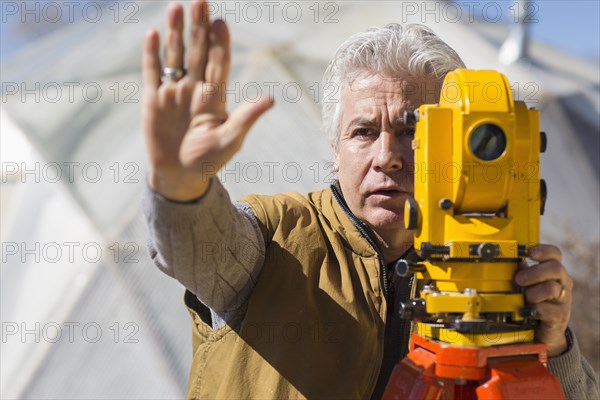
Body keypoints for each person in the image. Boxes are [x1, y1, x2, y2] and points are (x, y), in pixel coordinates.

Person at [142, 1, 599, 398]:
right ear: (335, 152)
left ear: (454, 146)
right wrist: (181, 187)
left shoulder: (488, 270)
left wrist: (553, 345)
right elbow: (198, 245)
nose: (388, 157)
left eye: (411, 132)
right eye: (364, 132)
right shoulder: (271, 235)